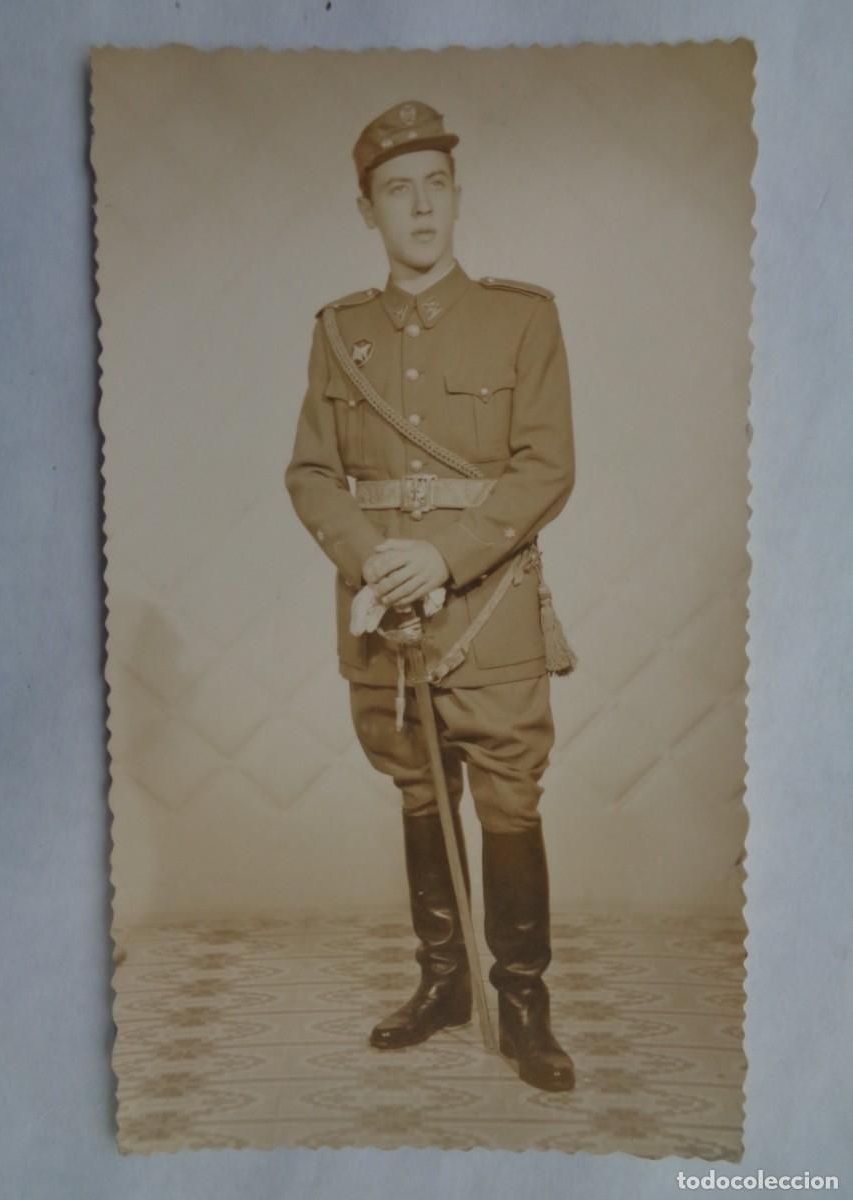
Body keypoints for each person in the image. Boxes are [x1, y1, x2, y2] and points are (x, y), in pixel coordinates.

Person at [285, 100, 577, 1092]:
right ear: (367, 209)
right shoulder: (338, 333)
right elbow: (311, 474)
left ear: (457, 197)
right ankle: (445, 983)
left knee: (507, 793)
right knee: (417, 785)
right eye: (396, 191)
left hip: (488, 609)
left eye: (436, 186)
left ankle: (525, 1001)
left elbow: (547, 470)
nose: (420, 208)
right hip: (382, 612)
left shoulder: (522, 318)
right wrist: (373, 558)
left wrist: (443, 557)